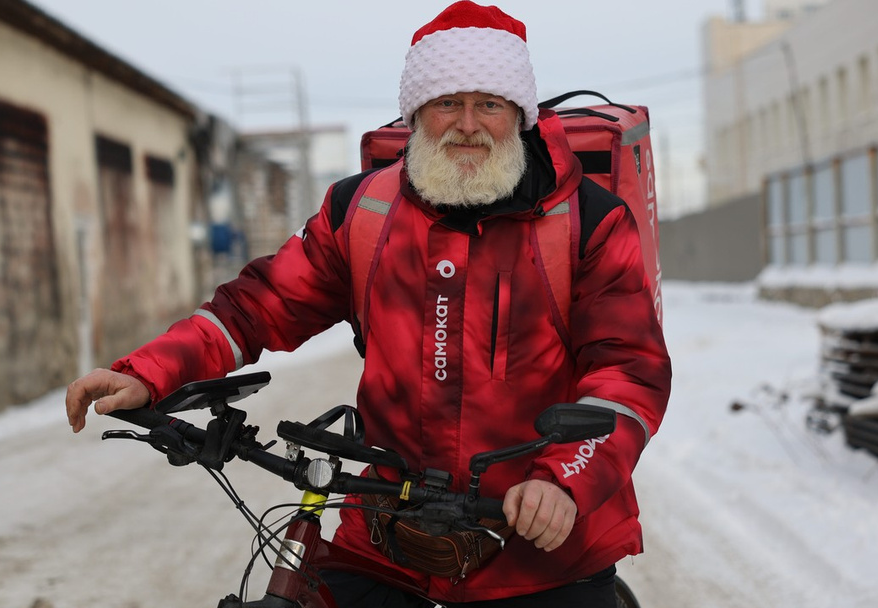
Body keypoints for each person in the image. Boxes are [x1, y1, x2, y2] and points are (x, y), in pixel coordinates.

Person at [66, 2, 671, 606]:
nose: (468, 123)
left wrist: (563, 479)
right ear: (416, 114)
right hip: (386, 541)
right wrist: (147, 371)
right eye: (446, 102)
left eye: (489, 102)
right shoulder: (360, 213)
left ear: (519, 114)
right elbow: (257, 305)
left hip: (540, 552)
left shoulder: (587, 222)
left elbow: (628, 372)